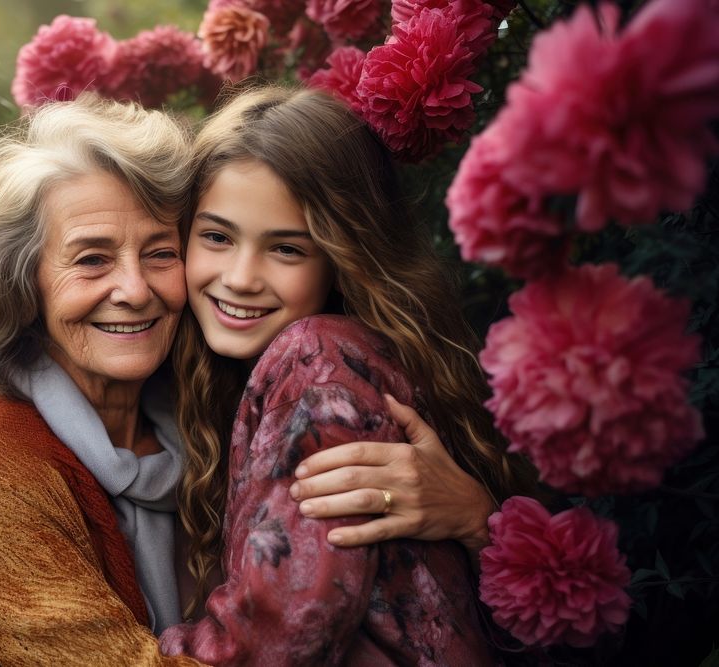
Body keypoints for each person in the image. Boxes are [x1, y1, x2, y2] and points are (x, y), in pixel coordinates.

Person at [0, 91, 495, 665]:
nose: (134, 290)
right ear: (23, 283)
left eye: (159, 252)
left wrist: (478, 521)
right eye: (92, 259)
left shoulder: (224, 400)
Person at [160, 85, 536, 664]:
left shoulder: (319, 363)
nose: (239, 277)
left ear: (341, 258)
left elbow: (283, 629)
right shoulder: (246, 373)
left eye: (286, 249)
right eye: (216, 236)